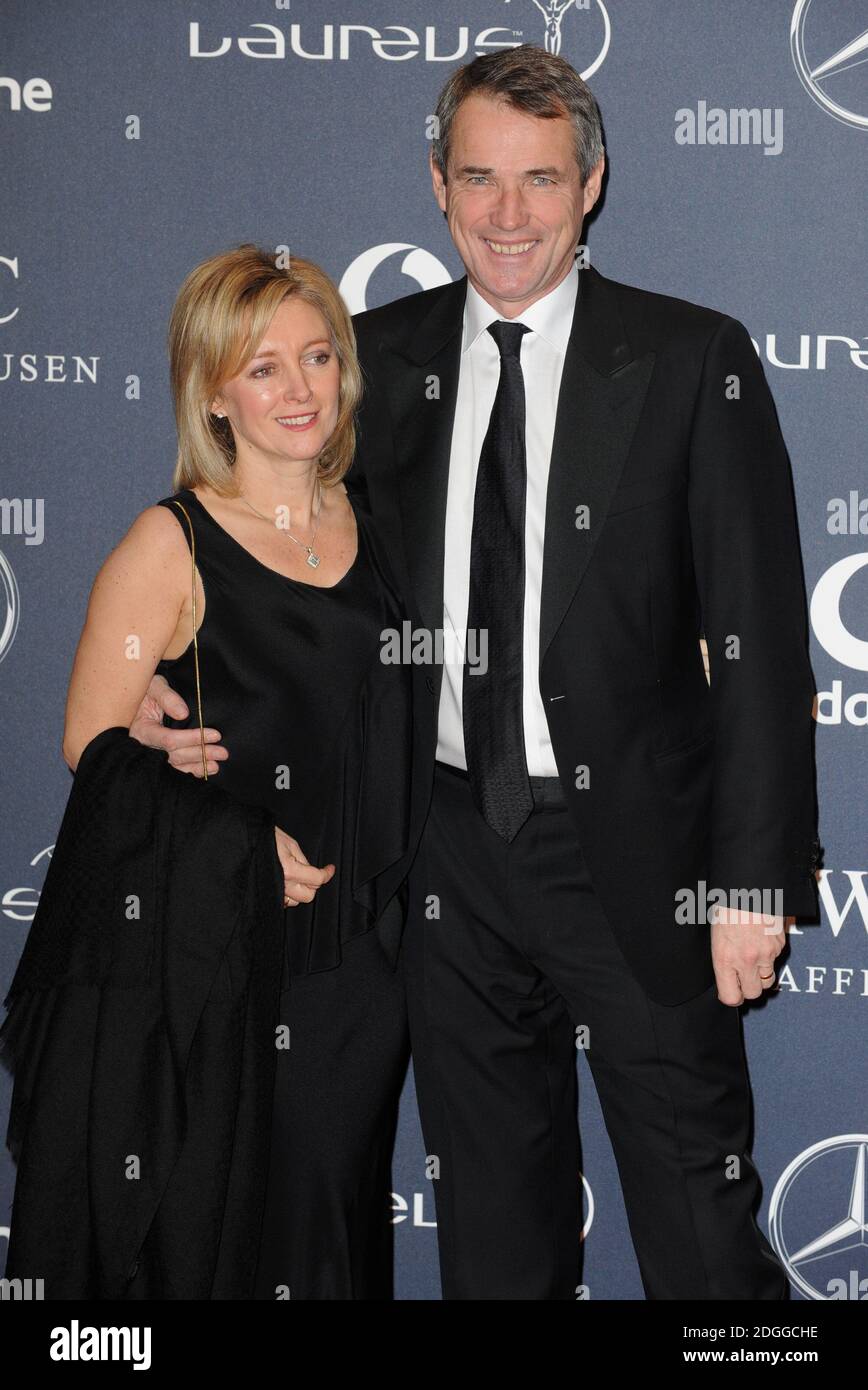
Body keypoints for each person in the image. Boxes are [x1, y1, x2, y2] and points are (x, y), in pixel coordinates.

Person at [134, 46, 821, 1300]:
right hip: (443, 853)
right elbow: (264, 560)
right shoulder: (368, 366)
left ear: (592, 185)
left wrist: (754, 879)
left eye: (541, 180)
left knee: (702, 1242)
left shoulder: (688, 361)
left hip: (646, 859)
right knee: (494, 1243)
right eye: (480, 178)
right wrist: (155, 676)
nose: (509, 214)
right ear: (436, 187)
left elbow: (763, 647)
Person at [1, 245, 416, 1300]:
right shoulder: (171, 540)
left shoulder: (380, 522)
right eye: (263, 366)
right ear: (214, 390)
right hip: (225, 948)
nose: (298, 388)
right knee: (217, 1225)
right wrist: (227, 837)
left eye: (317, 357)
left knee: (331, 1220)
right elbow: (90, 745)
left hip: (364, 955)